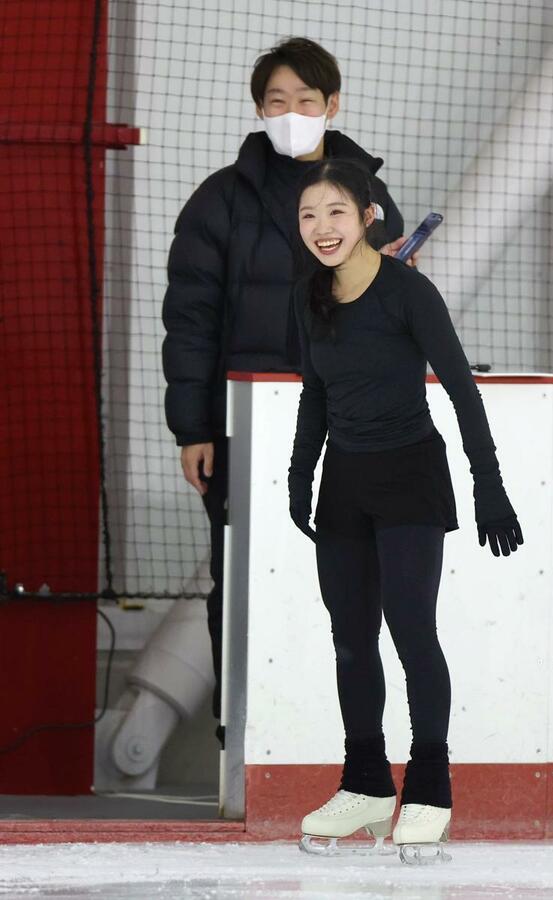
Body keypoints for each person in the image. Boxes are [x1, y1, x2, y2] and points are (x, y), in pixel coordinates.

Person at [162, 38, 415, 743]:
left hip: (350, 422)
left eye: (305, 100)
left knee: (351, 576)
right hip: (243, 425)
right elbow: (189, 321)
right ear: (258, 110)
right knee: (240, 576)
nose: (291, 113)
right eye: (277, 101)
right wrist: (194, 429)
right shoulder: (219, 200)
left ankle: (338, 738)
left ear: (332, 106)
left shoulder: (369, 201)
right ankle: (240, 737)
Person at [288, 158, 523, 864]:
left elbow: (461, 389)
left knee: (411, 630)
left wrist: (488, 484)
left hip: (410, 476)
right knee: (350, 638)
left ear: (368, 218)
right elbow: (316, 393)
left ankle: (427, 789)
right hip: (345, 481)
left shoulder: (407, 293)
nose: (321, 227)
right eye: (308, 215)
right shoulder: (309, 293)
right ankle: (365, 784)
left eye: (336, 211)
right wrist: (300, 474)